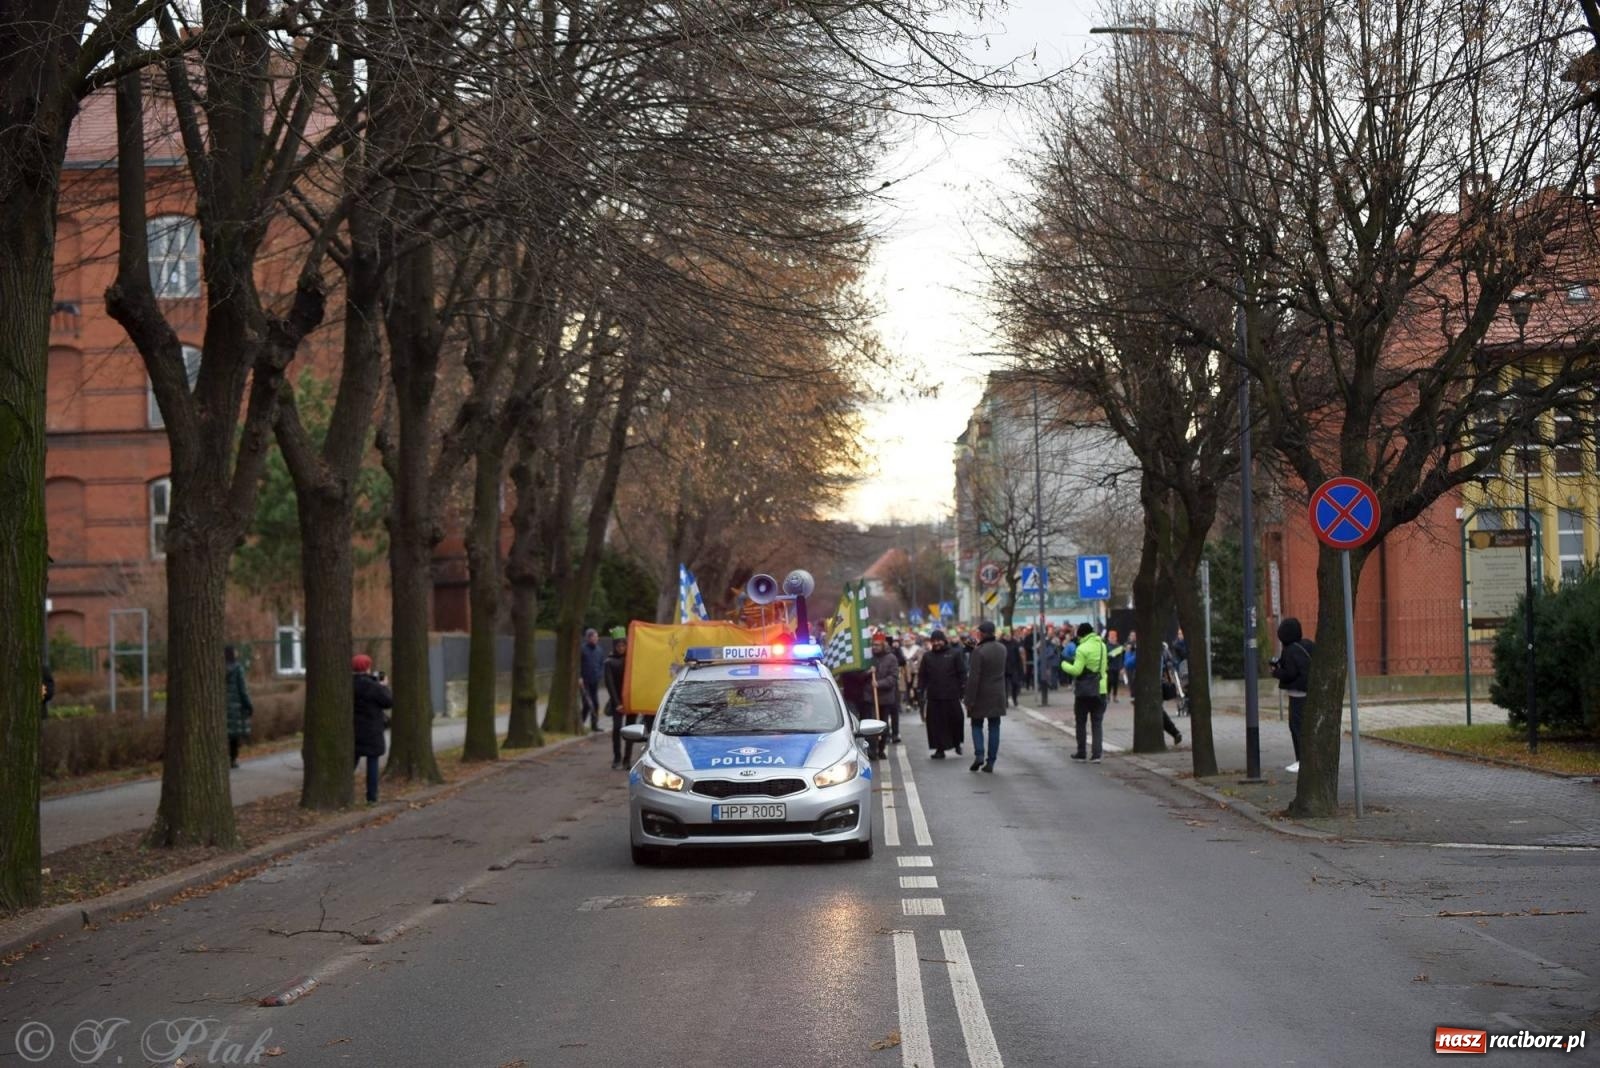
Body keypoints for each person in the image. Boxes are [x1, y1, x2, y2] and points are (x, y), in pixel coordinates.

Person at [1271, 617, 1316, 773]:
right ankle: (1310, 759)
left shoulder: (1289, 651)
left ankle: (1301, 760)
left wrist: (1276, 672)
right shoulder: (1308, 645)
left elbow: (1290, 673)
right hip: (1311, 692)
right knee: (1307, 727)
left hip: (1298, 694)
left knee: (1296, 727)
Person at [963, 620, 1007, 772]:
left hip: (981, 694)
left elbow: (974, 678)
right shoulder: (1002, 648)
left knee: (976, 724)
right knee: (994, 726)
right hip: (998, 694)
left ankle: (979, 754)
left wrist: (969, 699)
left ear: (981, 634)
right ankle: (991, 762)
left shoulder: (978, 651)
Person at [1062, 622, 1109, 762]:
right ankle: (1096, 755)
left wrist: (1064, 665)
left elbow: (1077, 670)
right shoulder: (1102, 646)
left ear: (1081, 635)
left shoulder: (1082, 648)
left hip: (1084, 691)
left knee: (1081, 722)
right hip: (1101, 689)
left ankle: (1081, 752)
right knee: (1097, 722)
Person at [918, 629, 966, 758]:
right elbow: (922, 676)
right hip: (934, 696)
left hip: (951, 695)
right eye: (934, 641)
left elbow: (961, 673)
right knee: (935, 724)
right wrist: (920, 690)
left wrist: (963, 689)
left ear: (944, 641)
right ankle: (939, 749)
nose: (937, 643)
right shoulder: (927, 656)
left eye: (939, 640)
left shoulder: (954, 654)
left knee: (956, 720)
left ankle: (957, 743)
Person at [351, 654, 392, 803]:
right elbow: (388, 702)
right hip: (372, 730)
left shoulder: (347, 684)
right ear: (368, 667)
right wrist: (384, 686)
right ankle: (371, 797)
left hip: (353, 730)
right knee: (372, 762)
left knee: (351, 762)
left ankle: (345, 794)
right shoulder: (373, 686)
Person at [869, 631, 902, 757]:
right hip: (871, 697)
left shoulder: (891, 658)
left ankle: (881, 748)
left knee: (883, 723)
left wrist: (880, 683)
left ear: (883, 645)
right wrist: (869, 672)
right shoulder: (870, 658)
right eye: (873, 645)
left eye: (877, 645)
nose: (875, 647)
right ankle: (872, 749)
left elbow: (893, 677)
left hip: (886, 697)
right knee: (871, 725)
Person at [606, 636, 637, 769]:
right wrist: (617, 702)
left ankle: (627, 759)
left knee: (630, 731)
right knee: (617, 728)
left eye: (623, 646)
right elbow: (610, 683)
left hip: (631, 700)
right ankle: (617, 757)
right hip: (616, 701)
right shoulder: (609, 662)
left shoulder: (632, 661)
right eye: (619, 646)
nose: (621, 648)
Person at [224, 645, 253, 769]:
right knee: (233, 736)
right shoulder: (237, 669)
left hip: (222, 706)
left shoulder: (217, 668)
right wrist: (248, 705)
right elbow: (243, 689)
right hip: (235, 707)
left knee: (223, 733)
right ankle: (232, 759)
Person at [579, 628, 606, 732]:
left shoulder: (599, 650)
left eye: (597, 637)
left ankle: (594, 725)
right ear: (589, 638)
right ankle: (581, 723)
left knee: (595, 703)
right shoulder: (582, 649)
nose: (596, 638)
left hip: (595, 680)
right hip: (584, 681)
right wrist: (579, 677)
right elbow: (578, 665)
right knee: (586, 703)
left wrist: (600, 674)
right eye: (594, 637)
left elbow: (600, 663)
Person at [1037, 629, 1061, 706]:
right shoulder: (1050, 643)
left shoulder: (1052, 643)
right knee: (1050, 675)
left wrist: (1044, 657)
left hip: (1051, 662)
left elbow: (1051, 652)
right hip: (1049, 662)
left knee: (1052, 674)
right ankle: (1051, 686)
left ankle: (1053, 686)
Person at [1001, 629, 1024, 708]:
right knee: (1004, 686)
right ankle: (1005, 701)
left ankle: (1014, 698)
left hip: (1014, 667)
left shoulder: (1015, 643)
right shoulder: (1000, 643)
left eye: (1009, 635)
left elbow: (1018, 656)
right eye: (1007, 635)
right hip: (1004, 668)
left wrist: (1020, 667)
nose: (1008, 636)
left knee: (1015, 684)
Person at [1105, 629, 1125, 703]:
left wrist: (1121, 667)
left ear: (1116, 638)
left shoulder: (1119, 646)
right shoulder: (1106, 646)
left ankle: (1115, 696)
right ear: (1109, 638)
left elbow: (1121, 658)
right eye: (1111, 637)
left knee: (1116, 682)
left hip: (1116, 666)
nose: (1112, 639)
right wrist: (1112, 654)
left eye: (1114, 637)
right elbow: (1106, 656)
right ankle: (1108, 696)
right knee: (1109, 681)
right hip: (1109, 666)